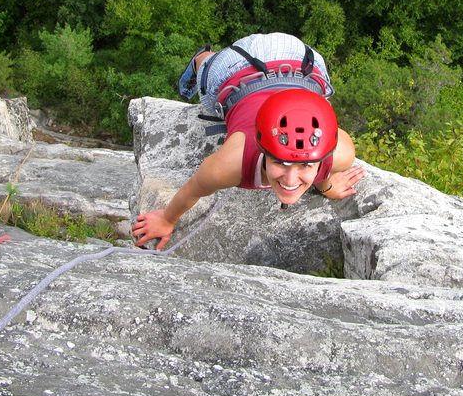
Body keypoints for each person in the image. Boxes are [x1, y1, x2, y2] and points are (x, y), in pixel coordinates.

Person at [132, 32, 365, 250]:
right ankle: (201, 59)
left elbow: (325, 166)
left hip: (298, 59)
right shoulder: (230, 164)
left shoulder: (341, 154)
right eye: (280, 163)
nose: (290, 180)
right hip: (238, 67)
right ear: (261, 147)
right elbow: (195, 188)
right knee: (207, 70)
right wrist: (166, 218)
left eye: (305, 165)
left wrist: (327, 185)